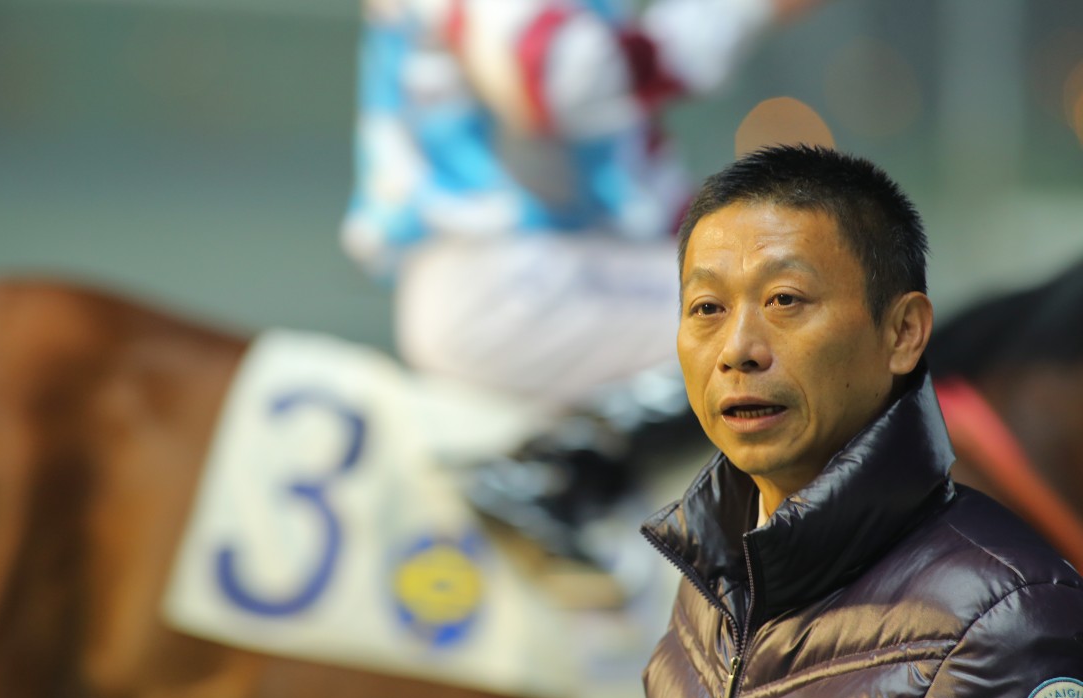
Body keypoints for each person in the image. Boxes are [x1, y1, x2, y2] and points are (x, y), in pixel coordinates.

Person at [641, 144, 1083, 698]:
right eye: (708, 308)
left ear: (903, 332)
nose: (737, 349)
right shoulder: (711, 587)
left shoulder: (1007, 618)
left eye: (786, 299)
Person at [343, 0, 825, 408]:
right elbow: (556, 76)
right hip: (505, 278)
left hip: (546, 270)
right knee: (796, 328)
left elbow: (616, 158)